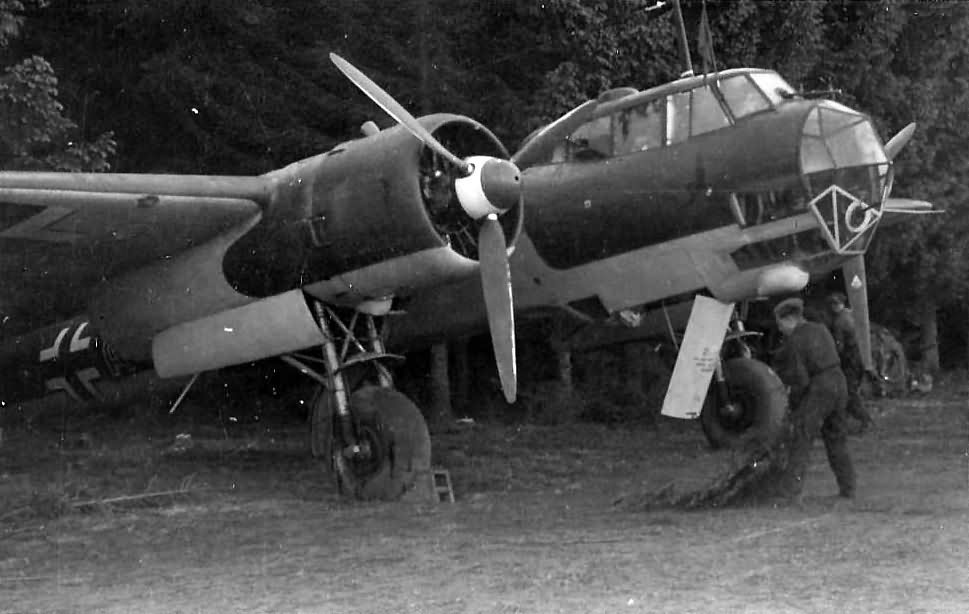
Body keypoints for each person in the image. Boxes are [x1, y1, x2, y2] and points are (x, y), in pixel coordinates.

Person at [771, 297, 856, 499]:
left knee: (801, 435)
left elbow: (800, 380)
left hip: (821, 387)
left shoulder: (795, 340)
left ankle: (790, 491)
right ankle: (848, 487)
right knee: (836, 437)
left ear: (790, 319)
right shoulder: (820, 328)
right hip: (839, 381)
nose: (780, 329)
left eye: (780, 324)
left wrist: (794, 407)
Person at [825, 292, 874, 432]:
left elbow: (839, 346)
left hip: (850, 359)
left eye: (835, 304)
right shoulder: (852, 314)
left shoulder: (839, 322)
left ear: (840, 304)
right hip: (860, 357)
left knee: (849, 392)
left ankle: (864, 419)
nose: (833, 307)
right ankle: (845, 421)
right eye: (832, 304)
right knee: (850, 390)